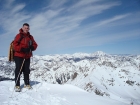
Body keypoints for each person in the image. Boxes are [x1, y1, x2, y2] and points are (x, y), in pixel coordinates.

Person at [13, 23, 38, 92]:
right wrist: (22, 49)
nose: (26, 29)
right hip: (18, 55)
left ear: (29, 29)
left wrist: (32, 47)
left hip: (27, 56)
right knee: (18, 70)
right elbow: (14, 46)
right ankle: (17, 85)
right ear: (22, 28)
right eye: (25, 28)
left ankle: (27, 83)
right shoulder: (18, 36)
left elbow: (35, 44)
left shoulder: (30, 37)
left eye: (27, 28)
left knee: (26, 70)